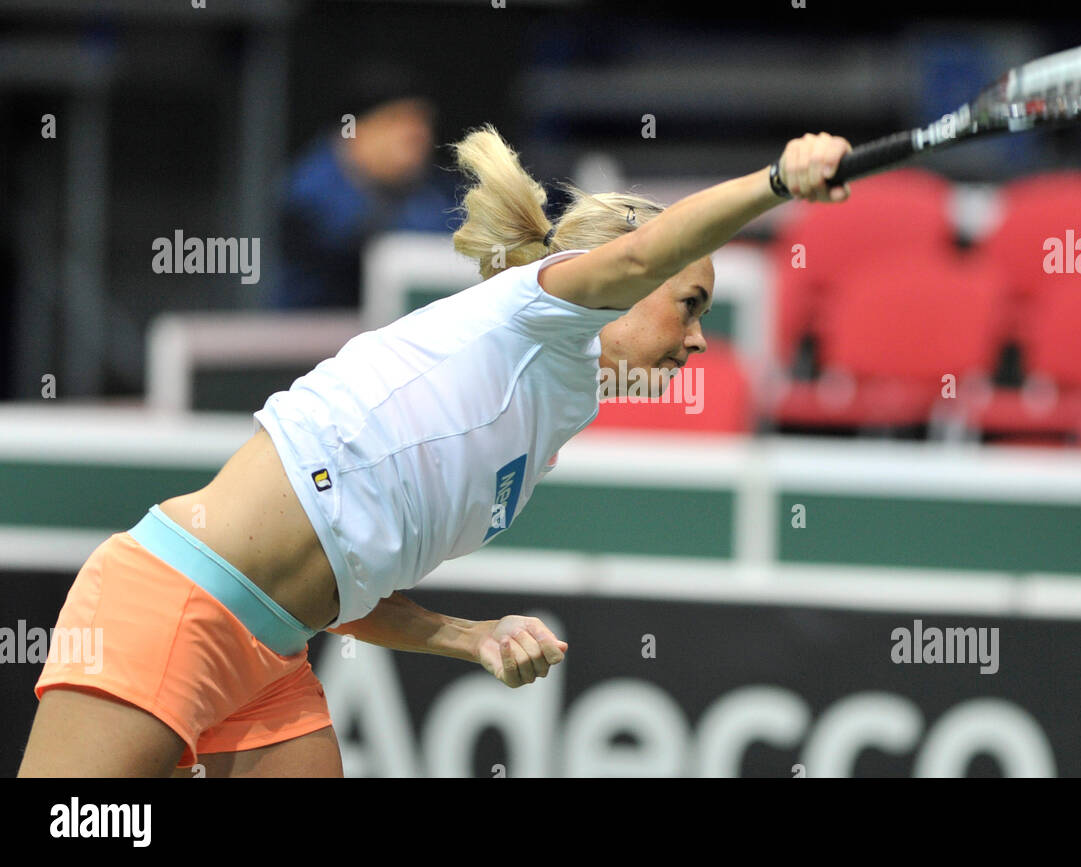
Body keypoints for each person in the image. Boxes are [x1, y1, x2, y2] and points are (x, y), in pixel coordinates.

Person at [18, 127, 852, 778]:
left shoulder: (548, 423)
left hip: (270, 657)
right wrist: (779, 184)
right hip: (174, 603)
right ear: (625, 285)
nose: (700, 342)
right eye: (689, 304)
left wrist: (472, 638)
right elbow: (643, 250)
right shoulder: (538, 315)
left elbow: (349, 578)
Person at [272, 67, 460, 309]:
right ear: (354, 131)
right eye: (395, 120)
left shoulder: (435, 187)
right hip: (307, 339)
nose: (415, 134)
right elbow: (353, 240)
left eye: (422, 121)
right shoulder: (310, 184)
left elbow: (464, 243)